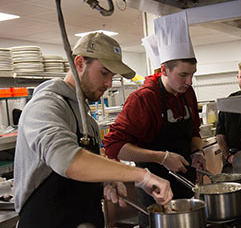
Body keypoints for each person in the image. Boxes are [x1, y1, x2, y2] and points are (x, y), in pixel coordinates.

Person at [13, 32, 173, 228]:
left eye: (112, 76)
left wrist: (104, 181)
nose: (108, 84)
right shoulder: (45, 105)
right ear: (79, 63)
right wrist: (141, 176)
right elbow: (67, 159)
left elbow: (76, 177)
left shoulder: (88, 120)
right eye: (104, 73)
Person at [103, 11, 206, 228]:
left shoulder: (187, 92)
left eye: (192, 74)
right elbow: (113, 147)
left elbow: (194, 131)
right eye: (183, 75)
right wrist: (162, 157)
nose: (189, 81)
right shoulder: (144, 98)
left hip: (186, 185)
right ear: (164, 70)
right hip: (155, 193)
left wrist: (196, 151)